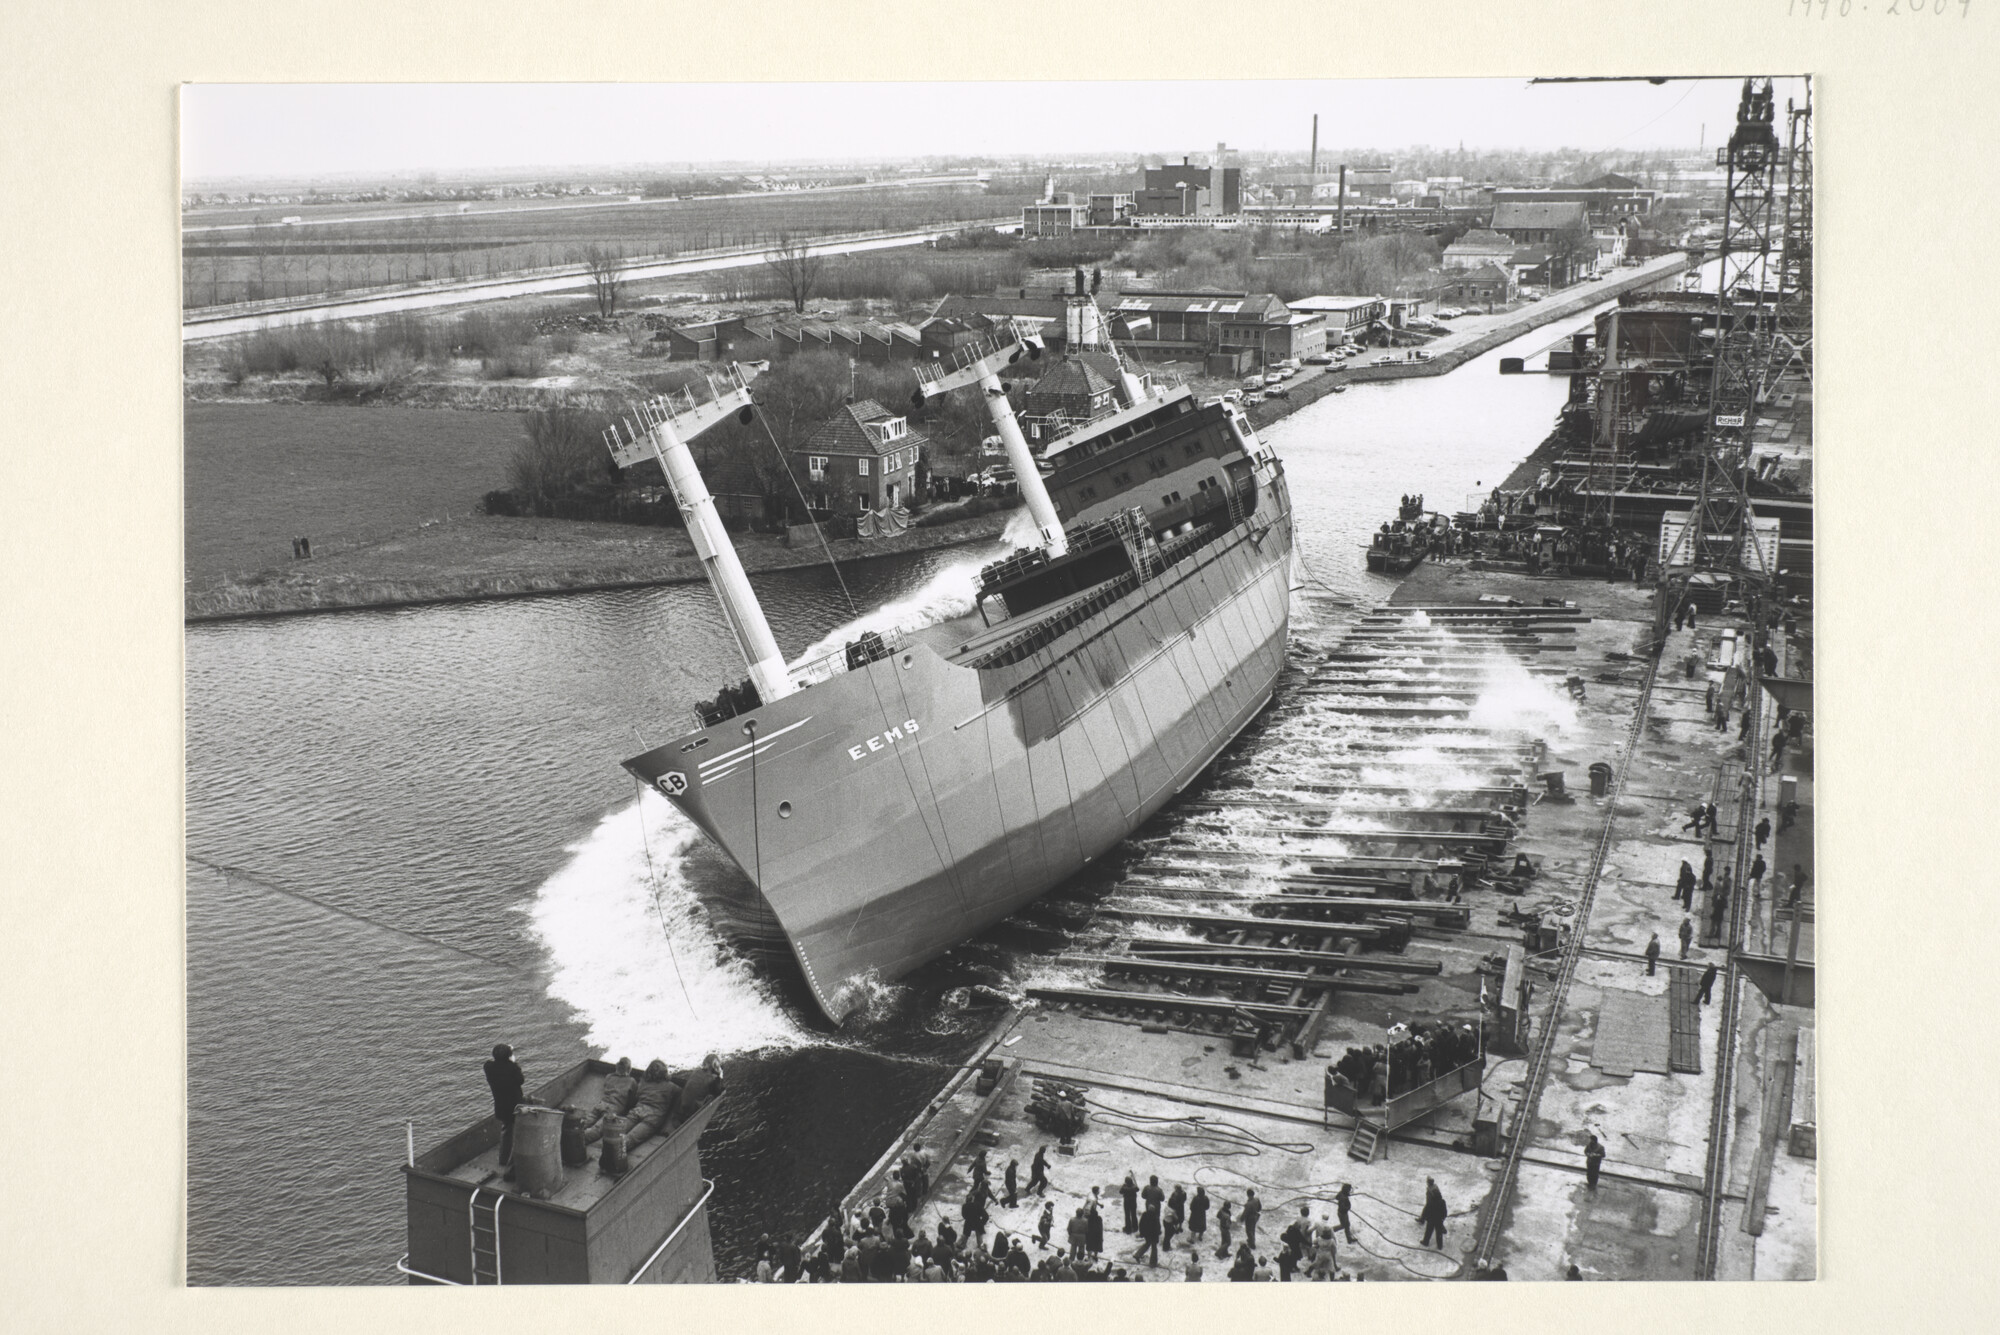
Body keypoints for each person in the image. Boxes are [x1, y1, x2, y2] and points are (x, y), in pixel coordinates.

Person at [484, 1043, 526, 1167]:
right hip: (515, 1106)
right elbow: (520, 1080)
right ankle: (511, 1162)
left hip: (501, 1106)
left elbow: (492, 1063)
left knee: (506, 1131)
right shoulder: (512, 1068)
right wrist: (513, 1062)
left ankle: (504, 1159)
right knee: (515, 1133)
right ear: (508, 1056)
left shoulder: (488, 1067)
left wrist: (507, 1056)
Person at [1419, 1178, 1448, 1249]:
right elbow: (1444, 1212)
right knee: (1439, 1233)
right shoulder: (1442, 1201)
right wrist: (1442, 1218)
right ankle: (1440, 1246)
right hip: (1439, 1220)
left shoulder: (1430, 1203)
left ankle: (1425, 1242)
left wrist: (1425, 1218)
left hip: (1431, 1220)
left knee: (1428, 1232)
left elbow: (1426, 1211)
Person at [1136, 1201, 1161, 1268]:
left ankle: (1138, 1255)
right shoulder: (1155, 1217)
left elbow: (1141, 1224)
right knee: (1154, 1248)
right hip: (1153, 1235)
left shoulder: (1144, 1214)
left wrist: (1142, 1233)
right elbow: (1157, 1227)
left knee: (1147, 1244)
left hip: (1146, 1234)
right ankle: (1153, 1263)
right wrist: (1158, 1234)